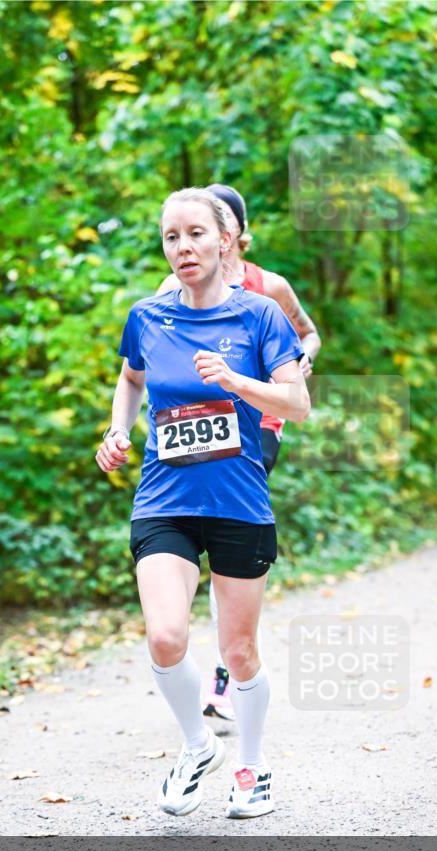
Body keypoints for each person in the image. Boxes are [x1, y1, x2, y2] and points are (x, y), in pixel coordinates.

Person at [96, 187, 310, 818]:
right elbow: (131, 377)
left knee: (238, 651)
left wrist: (236, 380)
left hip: (238, 501)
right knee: (165, 637)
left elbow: (298, 404)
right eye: (172, 236)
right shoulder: (147, 316)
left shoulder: (260, 314)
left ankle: (253, 765)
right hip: (164, 498)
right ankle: (197, 745)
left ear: (226, 240)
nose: (183, 247)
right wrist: (118, 430)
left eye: (195, 233)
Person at [157, 183, 321, 721]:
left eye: (217, 224)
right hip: (195, 423)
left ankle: (226, 665)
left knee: (227, 526)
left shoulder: (269, 287)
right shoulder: (176, 285)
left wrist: (300, 359)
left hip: (259, 421)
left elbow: (309, 334)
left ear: (236, 235)